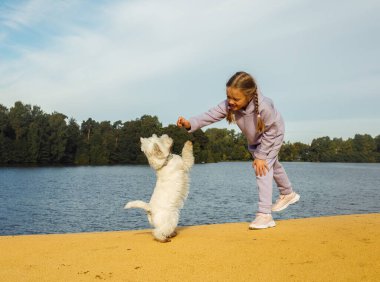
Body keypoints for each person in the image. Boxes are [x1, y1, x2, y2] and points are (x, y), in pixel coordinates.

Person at [176, 71, 300, 229]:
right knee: (273, 165)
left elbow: (271, 132)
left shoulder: (264, 107)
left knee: (262, 167)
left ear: (249, 95)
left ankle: (264, 215)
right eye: (228, 97)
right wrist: (190, 123)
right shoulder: (230, 105)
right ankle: (288, 193)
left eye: (235, 98)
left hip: (273, 135)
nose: (231, 102)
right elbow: (210, 115)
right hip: (256, 139)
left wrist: (261, 156)